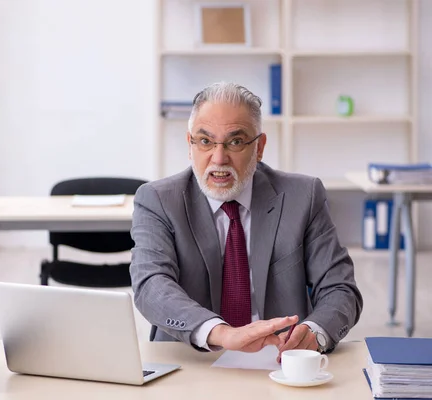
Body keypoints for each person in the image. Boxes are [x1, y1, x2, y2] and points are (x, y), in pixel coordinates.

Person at [130, 82, 363, 356]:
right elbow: (151, 284)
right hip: (191, 357)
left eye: (236, 142)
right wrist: (222, 333)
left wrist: (314, 332)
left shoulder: (303, 196)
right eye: (205, 141)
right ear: (189, 144)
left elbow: (340, 287)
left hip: (280, 360)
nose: (219, 158)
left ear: (260, 146)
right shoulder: (158, 200)